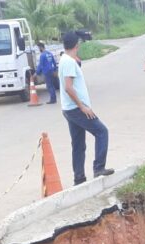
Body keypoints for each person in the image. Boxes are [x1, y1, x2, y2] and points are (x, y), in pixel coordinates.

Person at [58, 31, 114, 185]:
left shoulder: (64, 59)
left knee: (78, 144)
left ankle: (79, 178)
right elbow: (69, 88)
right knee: (102, 132)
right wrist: (82, 107)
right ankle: (98, 168)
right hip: (76, 109)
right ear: (77, 45)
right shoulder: (69, 62)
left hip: (68, 109)